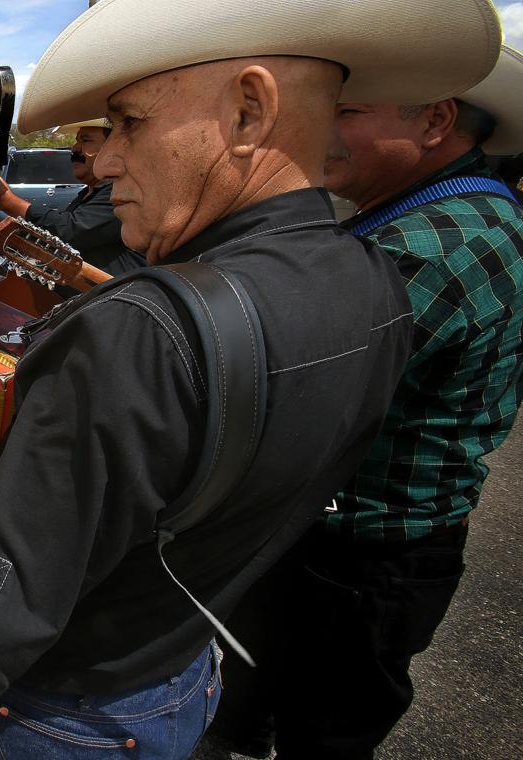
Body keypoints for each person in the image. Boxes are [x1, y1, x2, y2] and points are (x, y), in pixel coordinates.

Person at [0, 0, 498, 757]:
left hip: (70, 717)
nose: (101, 165)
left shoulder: (137, 334)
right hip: (181, 666)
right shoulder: (375, 282)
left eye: (127, 123)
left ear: (251, 112)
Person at [207, 43, 523, 760]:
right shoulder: (421, 216)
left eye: (346, 112)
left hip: (364, 561)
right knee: (255, 704)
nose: (320, 130)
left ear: (435, 120)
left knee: (323, 733)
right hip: (334, 542)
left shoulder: (439, 241)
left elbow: (282, 379)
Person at [0, 118, 143, 276]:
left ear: (112, 149)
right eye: (76, 140)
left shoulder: (121, 193)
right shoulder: (87, 195)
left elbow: (70, 231)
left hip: (114, 298)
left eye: (85, 140)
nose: (75, 148)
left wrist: (9, 202)